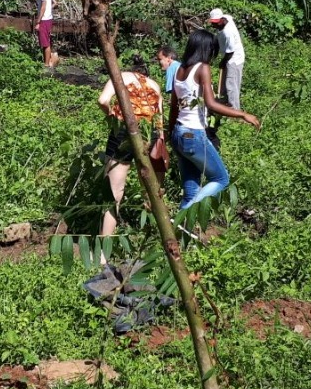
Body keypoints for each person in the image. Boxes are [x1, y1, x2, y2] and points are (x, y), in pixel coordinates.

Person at [168, 29, 260, 214]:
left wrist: (170, 135)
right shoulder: (202, 68)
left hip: (178, 132)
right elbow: (210, 103)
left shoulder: (178, 69)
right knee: (221, 179)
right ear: (207, 49)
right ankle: (184, 216)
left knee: (190, 192)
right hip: (193, 134)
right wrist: (242, 114)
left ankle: (181, 231)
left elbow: (174, 106)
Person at [97, 56, 164, 240]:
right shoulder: (155, 85)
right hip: (148, 134)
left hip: (124, 131)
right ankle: (155, 237)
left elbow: (103, 100)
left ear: (132, 70)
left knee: (115, 192)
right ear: (146, 74)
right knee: (150, 190)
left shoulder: (120, 77)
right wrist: (159, 142)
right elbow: (159, 121)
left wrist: (111, 115)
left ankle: (104, 250)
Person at [207, 8, 246, 110]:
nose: (213, 25)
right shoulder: (227, 18)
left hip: (234, 59)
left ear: (221, 20)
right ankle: (225, 102)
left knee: (231, 84)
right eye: (212, 22)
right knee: (225, 82)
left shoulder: (228, 32)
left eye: (215, 23)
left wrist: (222, 62)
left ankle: (235, 110)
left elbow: (230, 52)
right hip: (229, 56)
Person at [32, 0, 56, 67]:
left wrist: (38, 21)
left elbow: (43, 6)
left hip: (44, 20)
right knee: (45, 41)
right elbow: (55, 2)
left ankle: (46, 65)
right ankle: (47, 62)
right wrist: (49, 10)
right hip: (47, 18)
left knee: (45, 43)